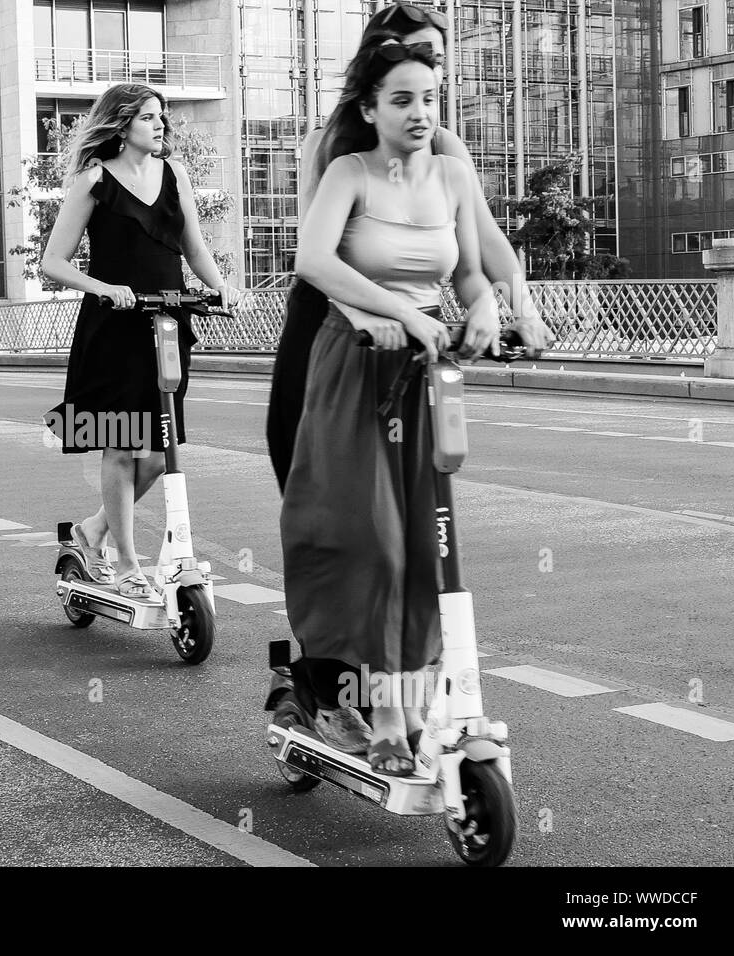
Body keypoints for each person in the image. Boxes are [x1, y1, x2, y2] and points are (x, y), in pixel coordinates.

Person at [271, 3, 555, 755]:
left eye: (430, 89)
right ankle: (342, 698)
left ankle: (410, 703)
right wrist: (381, 312)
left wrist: (498, 306)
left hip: (423, 369)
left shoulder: (452, 169)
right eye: (402, 94)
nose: (421, 107)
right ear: (370, 100)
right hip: (342, 352)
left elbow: (473, 264)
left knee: (426, 548)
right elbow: (316, 258)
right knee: (362, 540)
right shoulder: (340, 159)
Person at [40, 83, 242, 597]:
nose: (161, 126)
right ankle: (128, 563)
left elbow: (194, 247)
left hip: (168, 325)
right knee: (122, 446)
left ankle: (91, 531)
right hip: (114, 330)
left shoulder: (174, 173)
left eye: (162, 118)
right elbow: (53, 262)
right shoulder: (94, 180)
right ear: (122, 124)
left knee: (157, 455)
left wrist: (222, 289)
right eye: (150, 117)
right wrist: (105, 288)